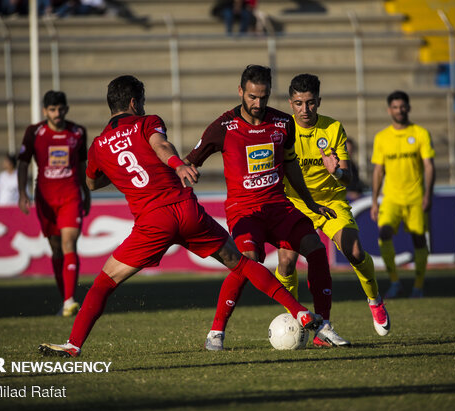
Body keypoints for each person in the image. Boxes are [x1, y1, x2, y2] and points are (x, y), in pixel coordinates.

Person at [38, 75, 322, 357]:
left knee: (104, 282)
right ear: (135, 102)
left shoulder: (99, 145)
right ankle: (300, 311)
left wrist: (117, 172)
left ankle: (74, 345)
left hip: (153, 222)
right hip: (186, 211)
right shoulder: (147, 122)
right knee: (241, 265)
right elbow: (161, 146)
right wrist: (177, 165)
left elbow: (90, 183)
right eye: (143, 102)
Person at [185, 65, 350, 350]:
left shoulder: (283, 123)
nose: (258, 104)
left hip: (278, 206)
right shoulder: (222, 127)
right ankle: (216, 333)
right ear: (240, 92)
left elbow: (290, 166)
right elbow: (190, 162)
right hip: (244, 210)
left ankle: (323, 327)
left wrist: (310, 202)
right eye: (251, 97)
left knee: (316, 249)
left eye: (263, 97)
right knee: (247, 260)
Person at [275, 74, 390, 337]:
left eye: (311, 103)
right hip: (296, 203)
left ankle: (374, 300)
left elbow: (348, 177)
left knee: (356, 251)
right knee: (286, 262)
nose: (305, 109)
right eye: (299, 103)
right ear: (290, 103)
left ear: (319, 102)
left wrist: (336, 172)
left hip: (331, 201)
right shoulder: (282, 130)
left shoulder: (333, 128)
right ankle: (292, 315)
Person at [17, 90, 90, 317]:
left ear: (66, 109)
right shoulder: (34, 132)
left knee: (69, 243)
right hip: (45, 199)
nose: (57, 113)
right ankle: (65, 299)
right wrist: (22, 192)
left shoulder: (78, 132)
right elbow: (22, 163)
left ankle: (69, 301)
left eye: (60, 109)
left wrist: (86, 193)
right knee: (56, 248)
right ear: (44, 111)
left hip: (70, 196)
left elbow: (81, 167)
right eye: (52, 109)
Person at [370, 90, 436, 299]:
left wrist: (428, 195)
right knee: (383, 234)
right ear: (390, 110)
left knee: (419, 239)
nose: (399, 110)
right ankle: (395, 282)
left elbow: (429, 166)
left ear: (408, 107)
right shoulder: (382, 137)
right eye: (395, 107)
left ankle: (418, 286)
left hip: (416, 197)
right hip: (391, 198)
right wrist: (374, 201)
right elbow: (378, 171)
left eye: (402, 106)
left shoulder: (420, 133)